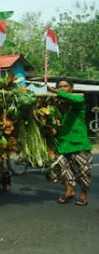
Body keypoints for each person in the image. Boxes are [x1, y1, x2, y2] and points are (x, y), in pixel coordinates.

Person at [47, 78, 92, 206]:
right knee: (59, 167)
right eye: (60, 87)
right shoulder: (60, 107)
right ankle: (69, 190)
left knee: (83, 171)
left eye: (65, 86)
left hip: (79, 143)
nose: (62, 89)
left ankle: (84, 194)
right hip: (63, 143)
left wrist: (56, 91)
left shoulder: (78, 102)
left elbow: (77, 99)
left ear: (71, 88)